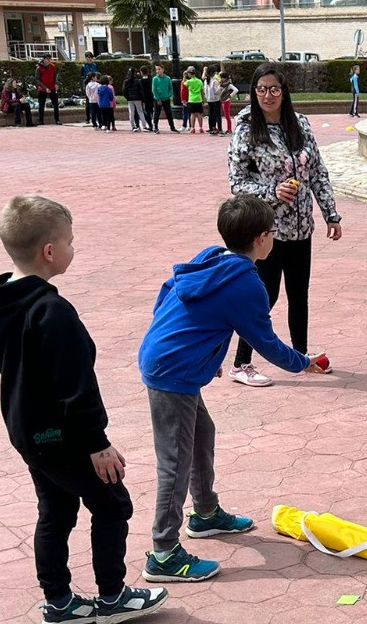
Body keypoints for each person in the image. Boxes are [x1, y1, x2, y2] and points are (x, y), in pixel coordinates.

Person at [0, 196, 167, 624]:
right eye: (69, 241)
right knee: (113, 503)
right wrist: (97, 443)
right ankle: (113, 597)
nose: (72, 248)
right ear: (49, 251)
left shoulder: (5, 302)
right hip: (63, 437)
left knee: (56, 509)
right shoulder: (52, 311)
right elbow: (75, 386)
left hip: (30, 433)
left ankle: (59, 602)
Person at [137, 195, 329, 584]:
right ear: (261, 239)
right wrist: (302, 362)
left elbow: (167, 289)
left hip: (171, 361)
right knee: (175, 461)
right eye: (272, 232)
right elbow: (265, 341)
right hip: (173, 373)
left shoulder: (211, 257)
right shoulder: (247, 284)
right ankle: (163, 553)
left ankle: (206, 514)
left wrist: (203, 354)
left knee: (201, 434)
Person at [227, 64, 343, 388]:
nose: (267, 95)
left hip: (301, 227)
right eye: (261, 89)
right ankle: (241, 363)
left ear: (284, 92)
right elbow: (237, 181)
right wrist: (271, 192)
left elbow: (317, 172)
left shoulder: (300, 124)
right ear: (254, 92)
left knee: (299, 294)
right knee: (264, 296)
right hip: (266, 230)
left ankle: (301, 358)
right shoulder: (247, 126)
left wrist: (330, 213)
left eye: (274, 89)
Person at [152, 64, 178, 133]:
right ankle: (155, 127)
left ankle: (172, 127)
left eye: (159, 69)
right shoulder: (155, 79)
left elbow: (170, 88)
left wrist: (169, 95)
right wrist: (158, 98)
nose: (158, 71)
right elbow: (154, 90)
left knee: (169, 113)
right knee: (156, 113)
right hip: (158, 99)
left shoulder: (167, 78)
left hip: (166, 99)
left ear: (163, 69)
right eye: (156, 69)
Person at [36, 58, 60, 125]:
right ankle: (40, 120)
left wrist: (56, 83)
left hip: (52, 87)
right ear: (44, 60)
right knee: (41, 105)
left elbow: (55, 76)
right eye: (47, 59)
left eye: (50, 59)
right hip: (42, 89)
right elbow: (37, 79)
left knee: (55, 104)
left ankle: (57, 120)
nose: (49, 60)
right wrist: (45, 88)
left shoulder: (52, 66)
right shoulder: (39, 68)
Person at [123, 68, 148, 133]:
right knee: (140, 112)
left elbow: (124, 91)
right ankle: (144, 126)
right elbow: (141, 91)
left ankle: (133, 126)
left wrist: (127, 97)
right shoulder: (137, 81)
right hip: (137, 98)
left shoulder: (126, 81)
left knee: (131, 112)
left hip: (130, 99)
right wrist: (143, 99)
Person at [80, 53, 99, 126]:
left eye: (90, 57)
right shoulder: (83, 66)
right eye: (87, 57)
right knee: (88, 102)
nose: (89, 59)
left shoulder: (94, 65)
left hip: (95, 84)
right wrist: (84, 85)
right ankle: (88, 118)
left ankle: (96, 117)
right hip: (87, 85)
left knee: (96, 101)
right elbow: (82, 77)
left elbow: (97, 74)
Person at [185, 67, 205, 134]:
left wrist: (184, 76)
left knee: (192, 114)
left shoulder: (189, 82)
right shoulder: (199, 81)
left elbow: (183, 83)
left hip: (191, 100)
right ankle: (201, 127)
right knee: (199, 114)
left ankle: (192, 127)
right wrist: (203, 99)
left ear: (190, 74)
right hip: (198, 99)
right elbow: (202, 91)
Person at [205, 67, 224, 136]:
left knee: (211, 114)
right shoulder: (215, 81)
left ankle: (211, 128)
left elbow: (205, 91)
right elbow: (216, 91)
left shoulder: (206, 81)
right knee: (218, 114)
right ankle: (220, 129)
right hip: (216, 99)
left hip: (209, 99)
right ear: (213, 73)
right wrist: (220, 87)